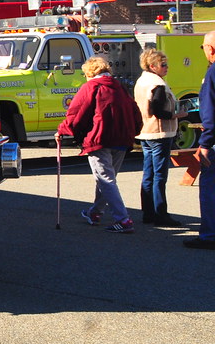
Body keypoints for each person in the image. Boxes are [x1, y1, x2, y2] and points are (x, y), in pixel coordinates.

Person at [56, 55, 142, 233]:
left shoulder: (90, 87)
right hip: (122, 138)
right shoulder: (120, 87)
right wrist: (135, 130)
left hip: (100, 138)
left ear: (89, 72)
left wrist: (63, 130)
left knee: (105, 179)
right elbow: (135, 111)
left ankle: (123, 219)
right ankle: (95, 212)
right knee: (108, 179)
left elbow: (77, 113)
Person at [134, 48, 188, 226]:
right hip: (159, 132)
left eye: (167, 64)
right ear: (152, 66)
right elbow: (158, 111)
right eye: (163, 65)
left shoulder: (142, 80)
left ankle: (148, 213)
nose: (167, 68)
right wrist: (176, 116)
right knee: (159, 176)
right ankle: (160, 214)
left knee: (148, 174)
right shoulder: (157, 84)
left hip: (146, 132)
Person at [184, 30, 215, 249]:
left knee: (210, 188)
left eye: (203, 47)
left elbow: (210, 113)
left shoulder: (212, 73)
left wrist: (205, 144)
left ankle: (209, 235)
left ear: (211, 49)